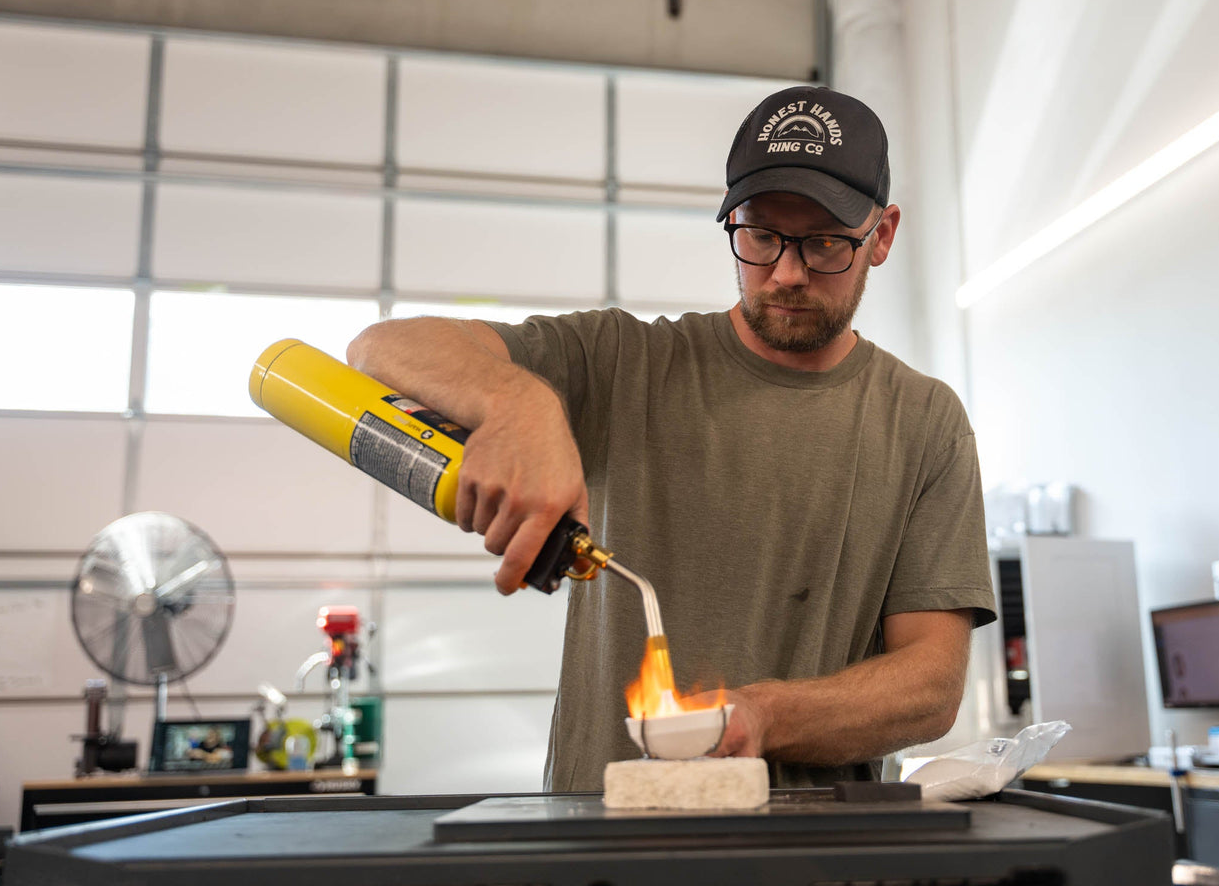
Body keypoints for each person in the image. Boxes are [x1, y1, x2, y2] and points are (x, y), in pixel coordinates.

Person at [348, 86, 996, 791]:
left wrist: (766, 716)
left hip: (810, 854)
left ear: (883, 235)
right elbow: (382, 346)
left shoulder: (923, 421)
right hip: (602, 845)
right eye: (760, 236)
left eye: (824, 244)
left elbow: (929, 686)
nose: (786, 273)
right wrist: (517, 402)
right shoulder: (621, 363)